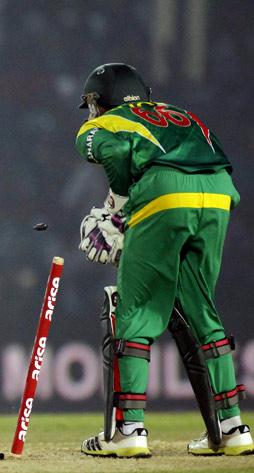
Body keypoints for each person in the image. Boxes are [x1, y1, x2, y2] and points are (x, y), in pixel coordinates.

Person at [74, 63, 253, 457]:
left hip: (165, 193)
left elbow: (117, 151)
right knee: (202, 311)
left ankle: (130, 431)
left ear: (102, 101)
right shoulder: (181, 113)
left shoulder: (101, 126)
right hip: (219, 192)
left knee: (134, 311)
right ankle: (234, 426)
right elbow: (213, 152)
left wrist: (121, 209)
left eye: (92, 104)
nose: (90, 114)